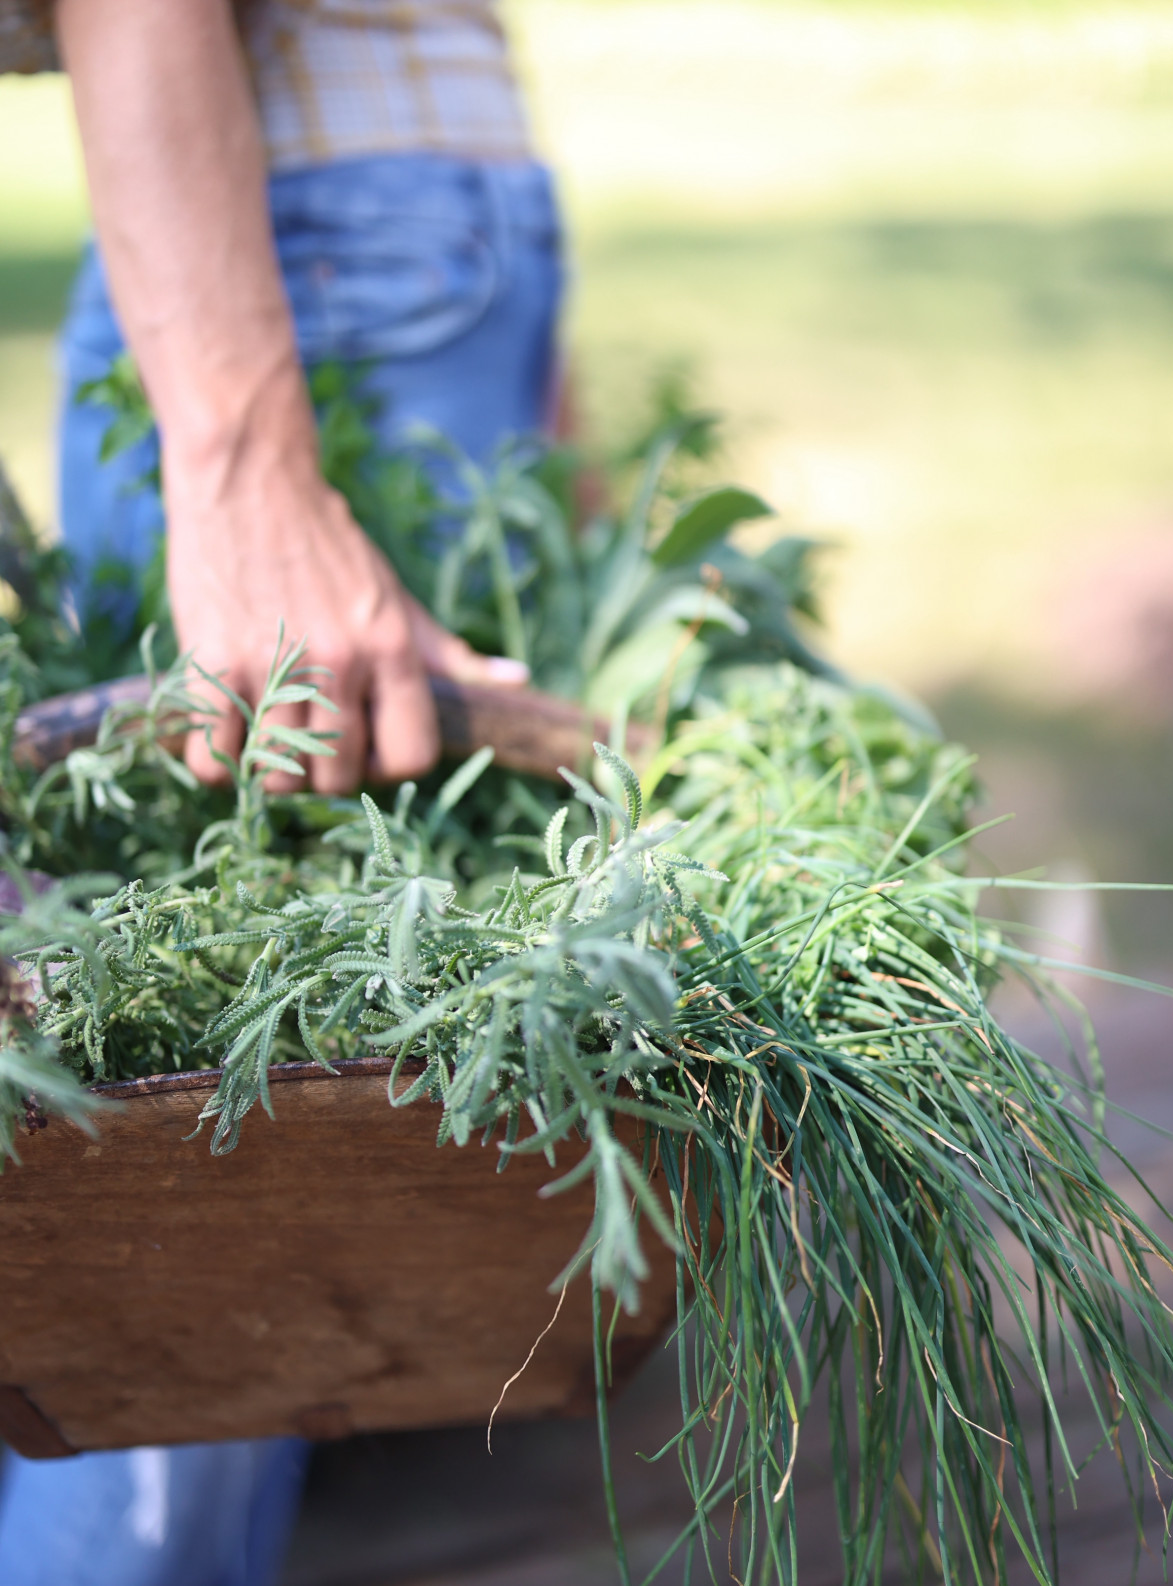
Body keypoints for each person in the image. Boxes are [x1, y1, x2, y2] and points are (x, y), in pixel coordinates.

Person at [0, 0, 564, 1580]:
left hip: (323, 214)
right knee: (185, 1169)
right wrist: (245, 464)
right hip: (337, 215)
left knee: (213, 1130)